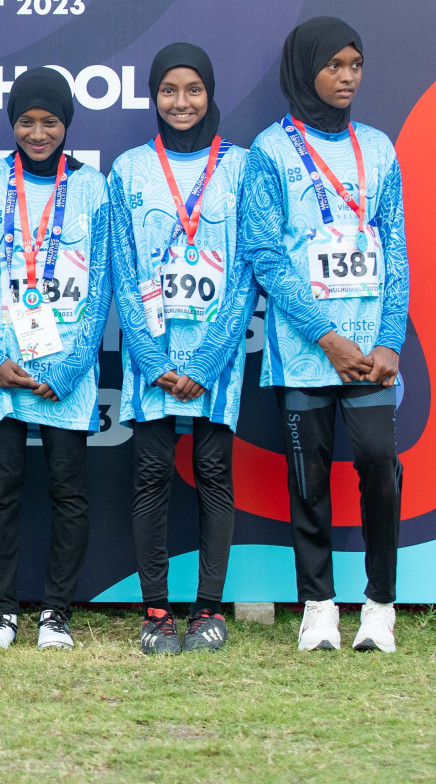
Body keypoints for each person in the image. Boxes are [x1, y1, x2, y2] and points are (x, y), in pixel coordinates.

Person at [239, 17, 407, 653]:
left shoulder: (379, 147)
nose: (347, 77)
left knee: (376, 465)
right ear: (305, 68)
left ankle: (380, 608)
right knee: (308, 479)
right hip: (305, 351)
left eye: (356, 65)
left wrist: (388, 340)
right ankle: (318, 608)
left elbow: (394, 246)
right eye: (334, 65)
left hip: (370, 354)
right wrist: (322, 335)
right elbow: (264, 253)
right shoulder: (271, 151)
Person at [0, 68, 111, 651]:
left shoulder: (95, 187)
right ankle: (1, 614)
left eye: (49, 122)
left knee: (69, 492)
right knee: (1, 489)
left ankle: (55, 616)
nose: (38, 133)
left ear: (67, 123)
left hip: (65, 371)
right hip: (2, 369)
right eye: (26, 122)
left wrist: (69, 369)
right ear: (11, 123)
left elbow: (103, 287)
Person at [108, 44, 255, 655]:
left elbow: (248, 269)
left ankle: (209, 611)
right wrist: (154, 359)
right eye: (169, 90)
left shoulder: (244, 168)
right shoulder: (129, 169)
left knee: (215, 474)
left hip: (216, 357)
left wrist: (203, 363)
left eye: (193, 89)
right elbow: (121, 265)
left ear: (210, 91)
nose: (182, 102)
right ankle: (156, 612)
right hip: (152, 357)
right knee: (150, 478)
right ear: (153, 96)